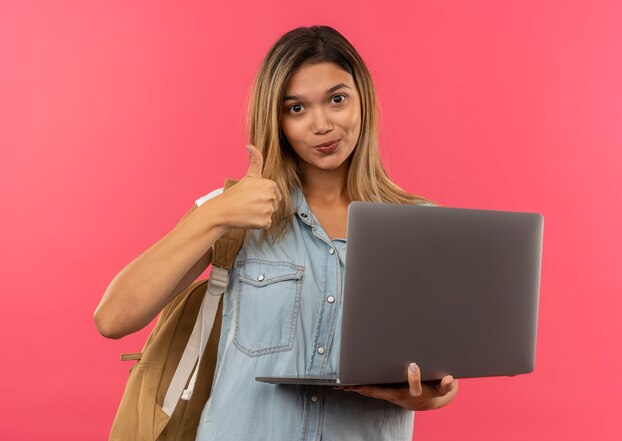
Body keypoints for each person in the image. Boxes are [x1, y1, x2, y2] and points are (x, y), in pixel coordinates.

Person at [94, 25, 459, 440]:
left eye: (337, 100)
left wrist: (428, 396)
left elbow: (439, 375)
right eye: (297, 108)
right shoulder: (234, 211)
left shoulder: (420, 226)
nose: (321, 125)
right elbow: (113, 317)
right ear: (277, 118)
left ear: (363, 102)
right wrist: (215, 215)